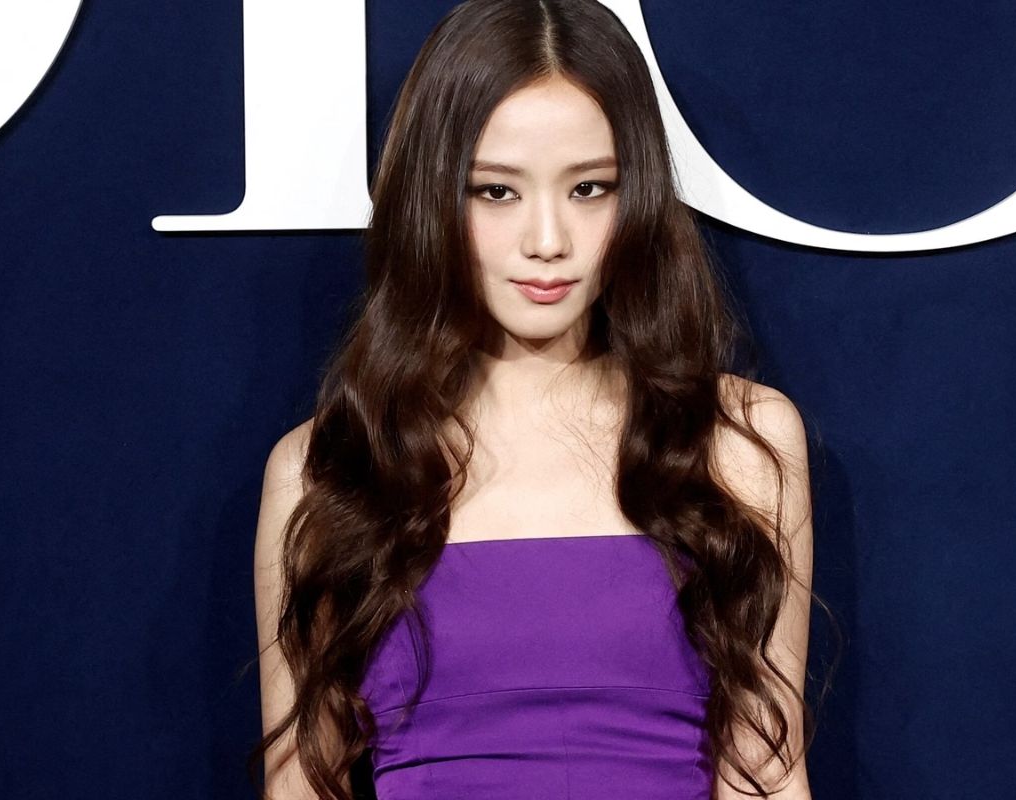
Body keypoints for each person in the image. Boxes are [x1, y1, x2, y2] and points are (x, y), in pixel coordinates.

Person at [251, 1, 824, 797]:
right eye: (496, 192)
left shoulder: (737, 442)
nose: (547, 240)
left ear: (638, 196)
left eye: (589, 188)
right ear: (430, 200)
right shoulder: (332, 469)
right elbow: (300, 787)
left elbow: (766, 777)